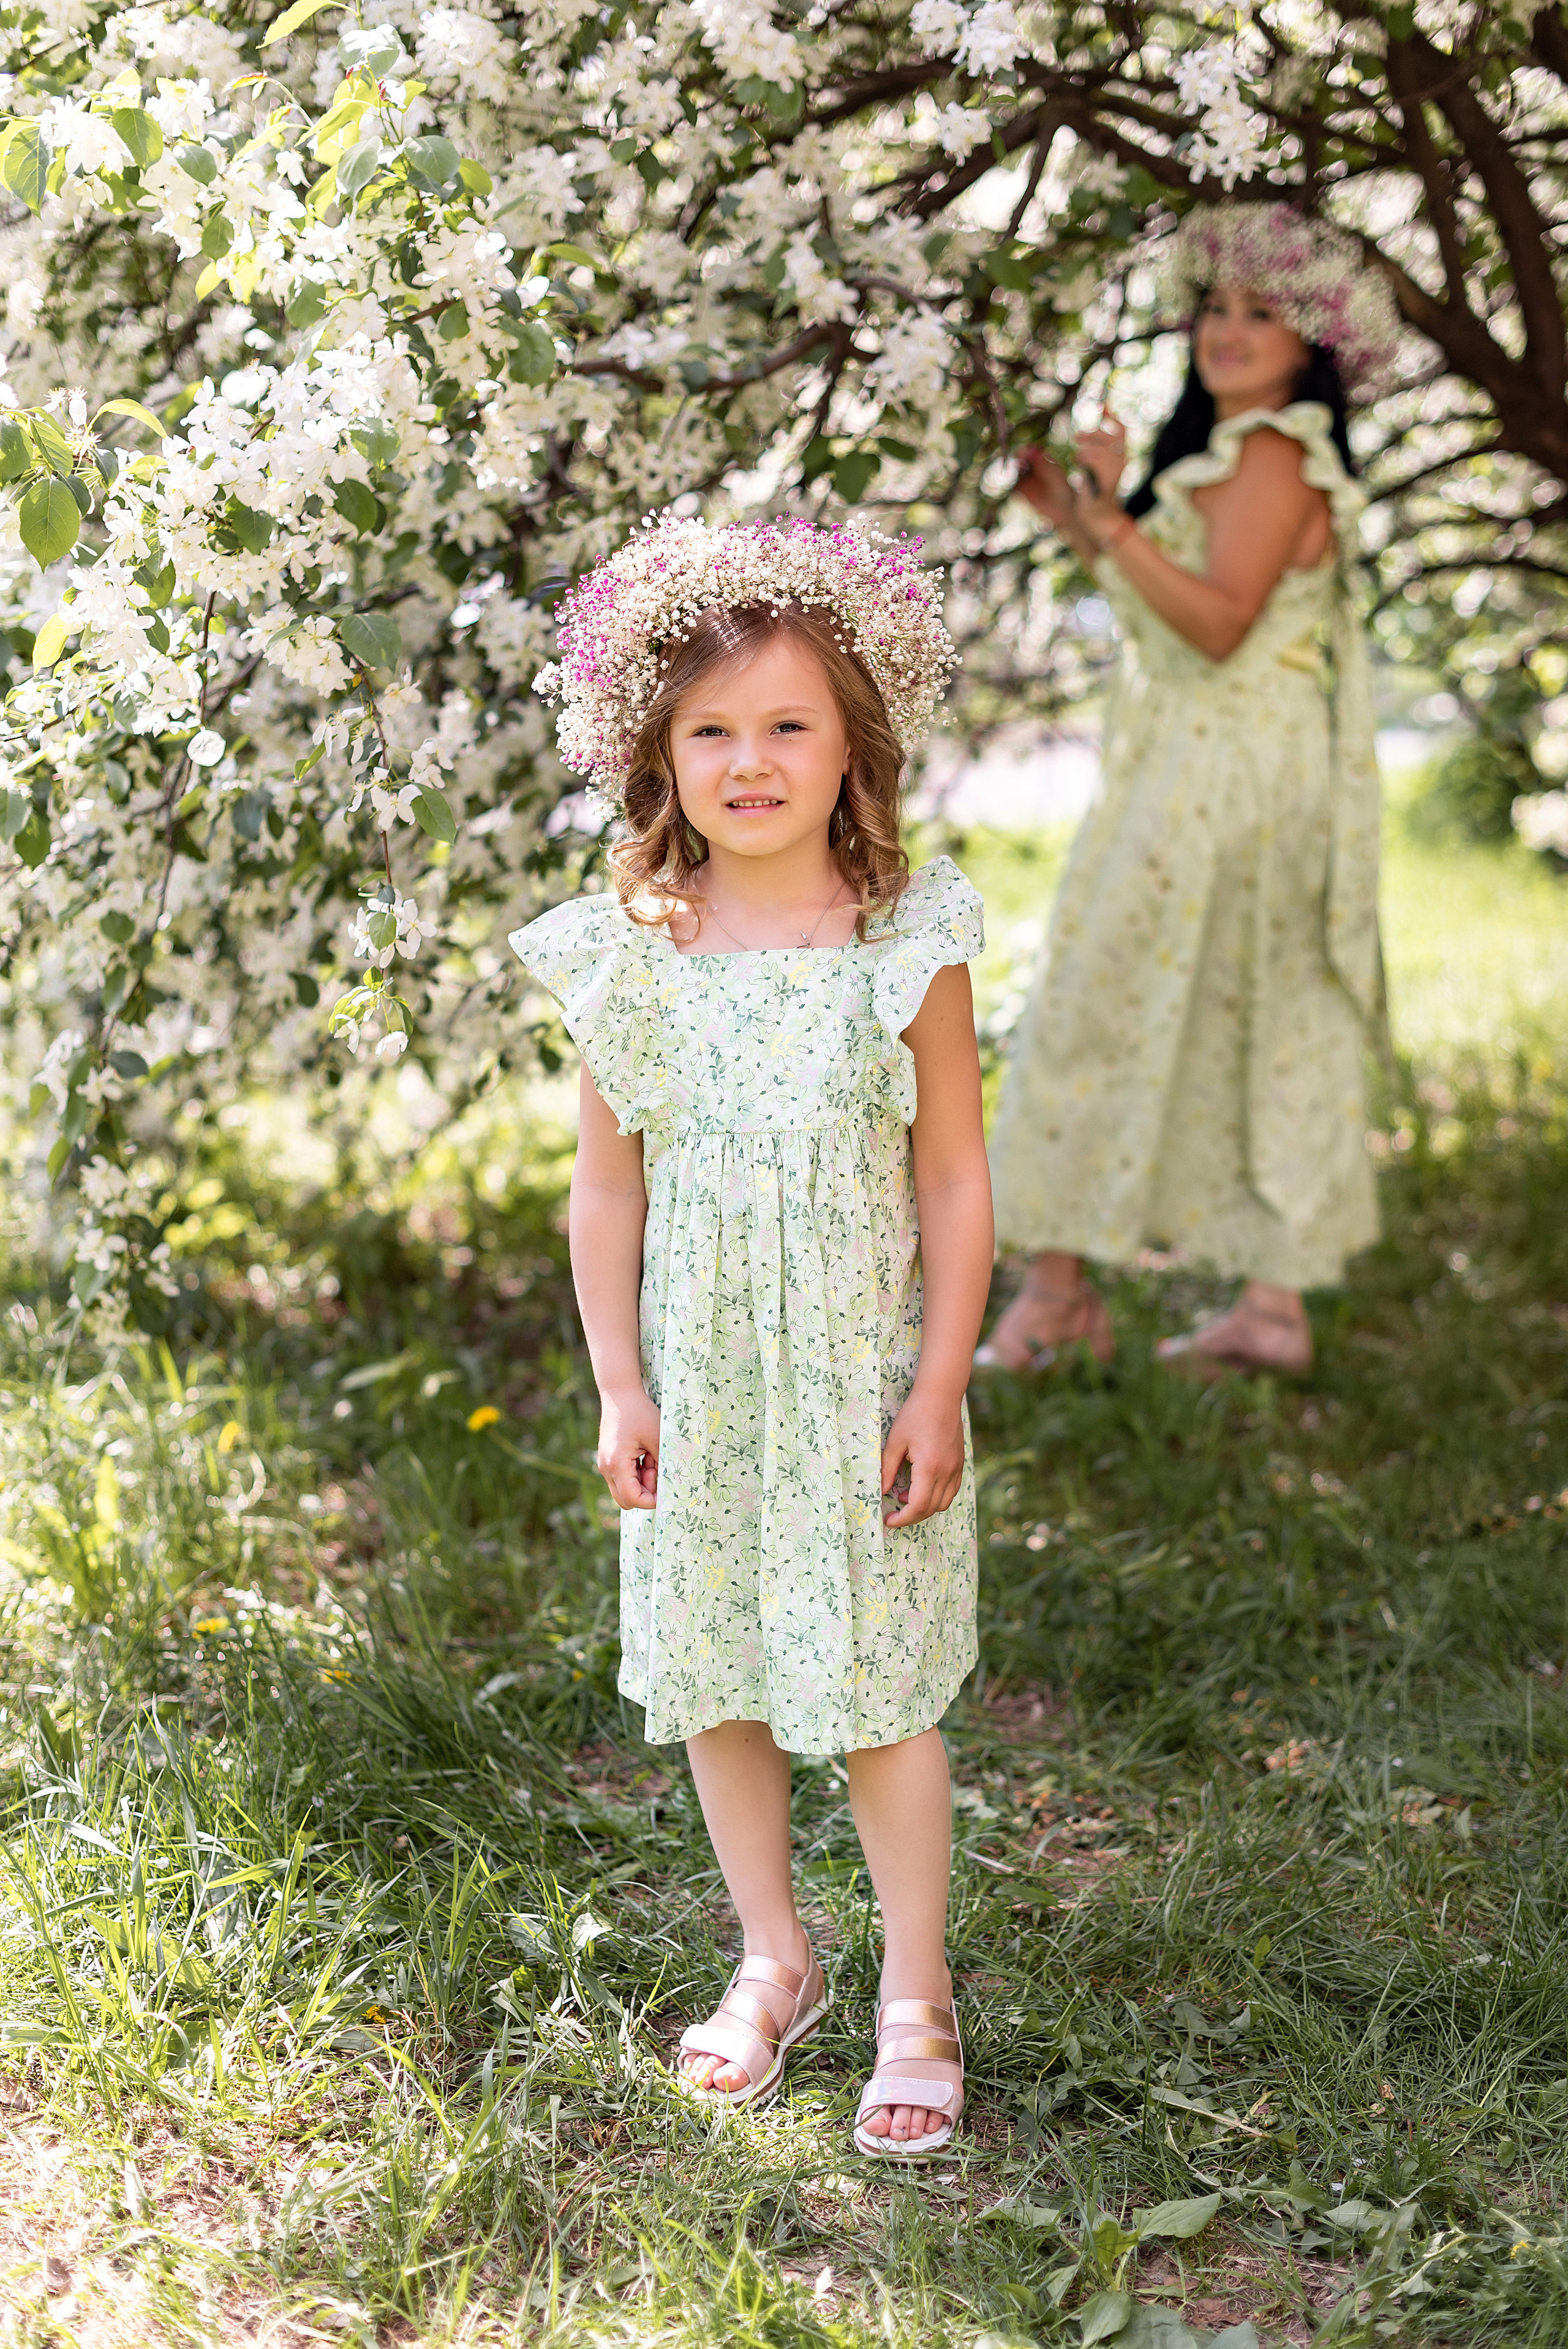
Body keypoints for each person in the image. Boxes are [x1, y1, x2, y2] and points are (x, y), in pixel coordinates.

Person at [510, 515, 992, 2158]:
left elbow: (953, 1174)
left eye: (790, 723)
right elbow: (602, 1194)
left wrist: (939, 1380)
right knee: (719, 1664)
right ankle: (773, 1952)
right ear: (659, 753)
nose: (752, 759)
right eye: (713, 730)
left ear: (853, 736)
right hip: (706, 1387)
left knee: (873, 1688)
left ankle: (914, 1990)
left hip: (854, 1379)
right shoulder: (635, 951)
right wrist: (619, 1383)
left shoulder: (901, 938)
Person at [980, 204, 1401, 1378]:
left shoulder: (1274, 452)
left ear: (1311, 343)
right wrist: (1076, 515)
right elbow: (1172, 612)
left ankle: (1062, 1291)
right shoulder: (1226, 452)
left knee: (1109, 993)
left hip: (1229, 774)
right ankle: (1245, 1307)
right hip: (1203, 763)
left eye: (1262, 312)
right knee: (1229, 1008)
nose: (1228, 329)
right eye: (1215, 306)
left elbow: (1218, 629)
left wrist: (1108, 520)